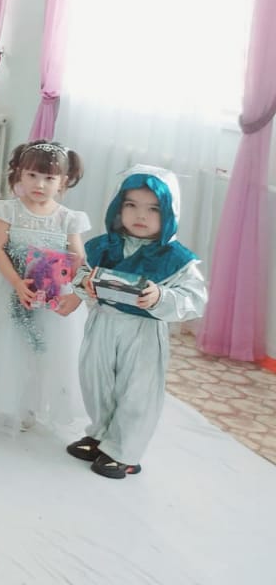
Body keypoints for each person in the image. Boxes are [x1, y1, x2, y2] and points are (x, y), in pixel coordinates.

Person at [68, 166, 207, 479]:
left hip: (142, 331)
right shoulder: (104, 246)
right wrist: (85, 284)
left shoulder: (176, 258)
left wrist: (161, 297)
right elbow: (81, 274)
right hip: (103, 323)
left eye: (153, 209)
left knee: (137, 390)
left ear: (169, 212)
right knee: (96, 381)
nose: (140, 215)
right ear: (118, 207)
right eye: (131, 205)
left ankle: (124, 450)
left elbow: (194, 298)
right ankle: (101, 434)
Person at [0, 141, 90, 433]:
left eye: (49, 178)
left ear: (63, 181)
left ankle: (29, 403)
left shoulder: (68, 218)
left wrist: (72, 287)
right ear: (19, 174)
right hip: (6, 287)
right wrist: (16, 282)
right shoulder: (9, 210)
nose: (39, 184)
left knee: (39, 348)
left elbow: (78, 258)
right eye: (32, 175)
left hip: (47, 295)